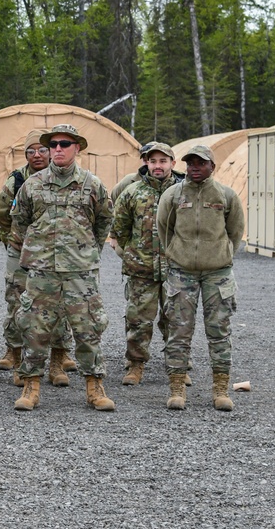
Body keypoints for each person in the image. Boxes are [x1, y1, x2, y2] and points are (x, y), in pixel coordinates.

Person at [10, 124, 115, 412]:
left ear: (77, 148)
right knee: (35, 327)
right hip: (42, 270)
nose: (57, 149)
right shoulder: (32, 185)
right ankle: (31, 386)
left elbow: (104, 221)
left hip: (80, 271)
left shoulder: (93, 184)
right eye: (53, 144)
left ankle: (94, 387)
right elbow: (19, 222)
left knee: (88, 327)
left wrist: (86, 251)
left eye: (64, 144)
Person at [157, 145, 244, 411]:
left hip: (217, 274)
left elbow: (235, 231)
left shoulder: (226, 196)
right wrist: (176, 253)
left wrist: (221, 254)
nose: (194, 167)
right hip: (181, 273)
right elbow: (164, 229)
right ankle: (176, 388)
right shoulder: (173, 195)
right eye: (190, 163)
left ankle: (220, 389)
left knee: (219, 332)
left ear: (212, 167)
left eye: (200, 163)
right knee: (178, 332)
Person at [0, 129, 76, 387]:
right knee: (18, 302)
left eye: (42, 149)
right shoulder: (17, 181)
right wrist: (12, 242)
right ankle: (17, 358)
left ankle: (57, 360)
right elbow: (1, 211)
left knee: (59, 305)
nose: (37, 155)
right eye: (31, 151)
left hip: (56, 254)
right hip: (22, 252)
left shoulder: (66, 178)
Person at [110, 142, 181, 386]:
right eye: (153, 161)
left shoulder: (184, 192)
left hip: (176, 268)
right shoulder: (132, 192)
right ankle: (136, 364)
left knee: (176, 319)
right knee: (138, 319)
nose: (158, 166)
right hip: (142, 268)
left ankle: (178, 367)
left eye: (163, 161)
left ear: (173, 162)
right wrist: (132, 252)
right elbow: (119, 227)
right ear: (146, 163)